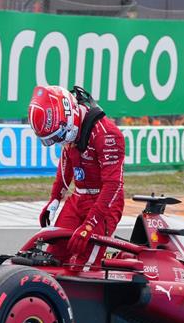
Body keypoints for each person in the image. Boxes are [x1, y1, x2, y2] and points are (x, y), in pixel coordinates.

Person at [28, 85, 125, 271]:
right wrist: (54, 200)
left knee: (83, 267)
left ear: (70, 117)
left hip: (105, 204)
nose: (59, 141)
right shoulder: (69, 131)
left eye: (58, 136)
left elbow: (114, 185)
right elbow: (65, 166)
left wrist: (90, 224)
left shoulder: (107, 135)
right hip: (77, 200)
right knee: (52, 256)